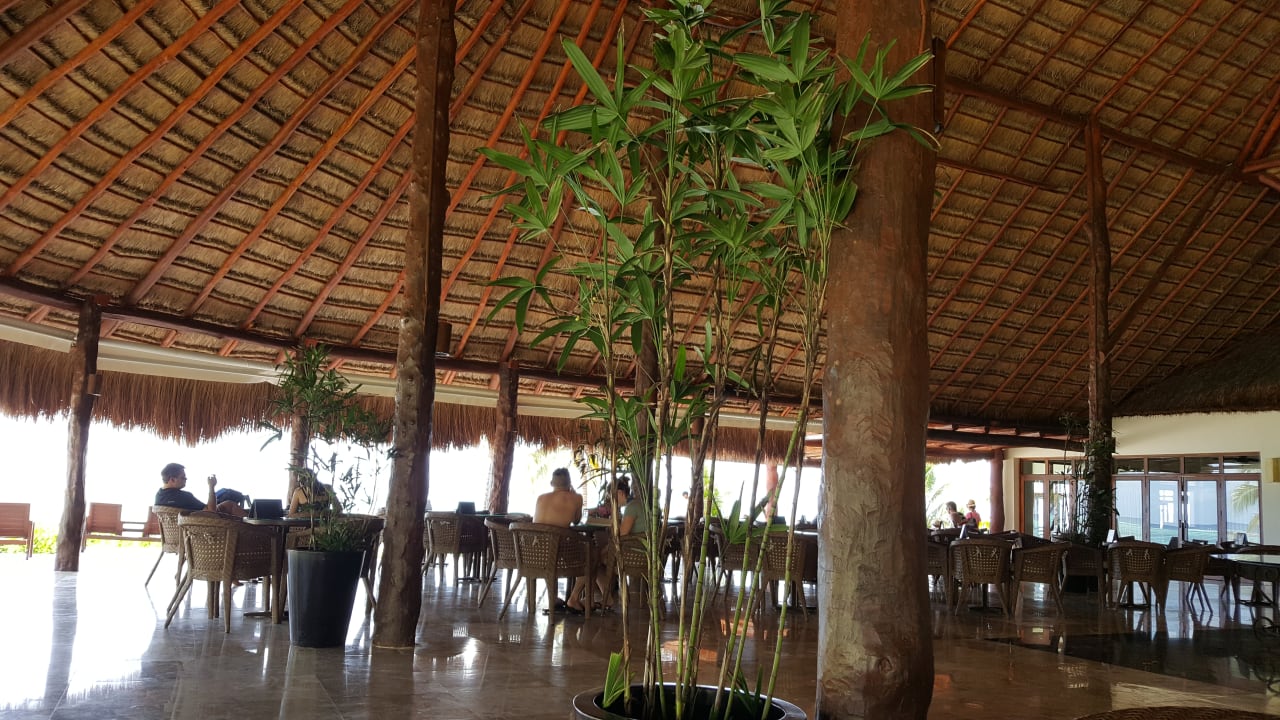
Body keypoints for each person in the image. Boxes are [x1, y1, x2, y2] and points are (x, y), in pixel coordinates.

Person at [154, 462, 246, 517]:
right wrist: (211, 486)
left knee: (226, 505)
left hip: (180, 532)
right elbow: (211, 511)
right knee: (230, 505)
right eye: (183, 477)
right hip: (200, 531)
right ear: (172, 479)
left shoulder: (159, 496)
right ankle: (256, 530)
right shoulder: (184, 496)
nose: (186, 479)